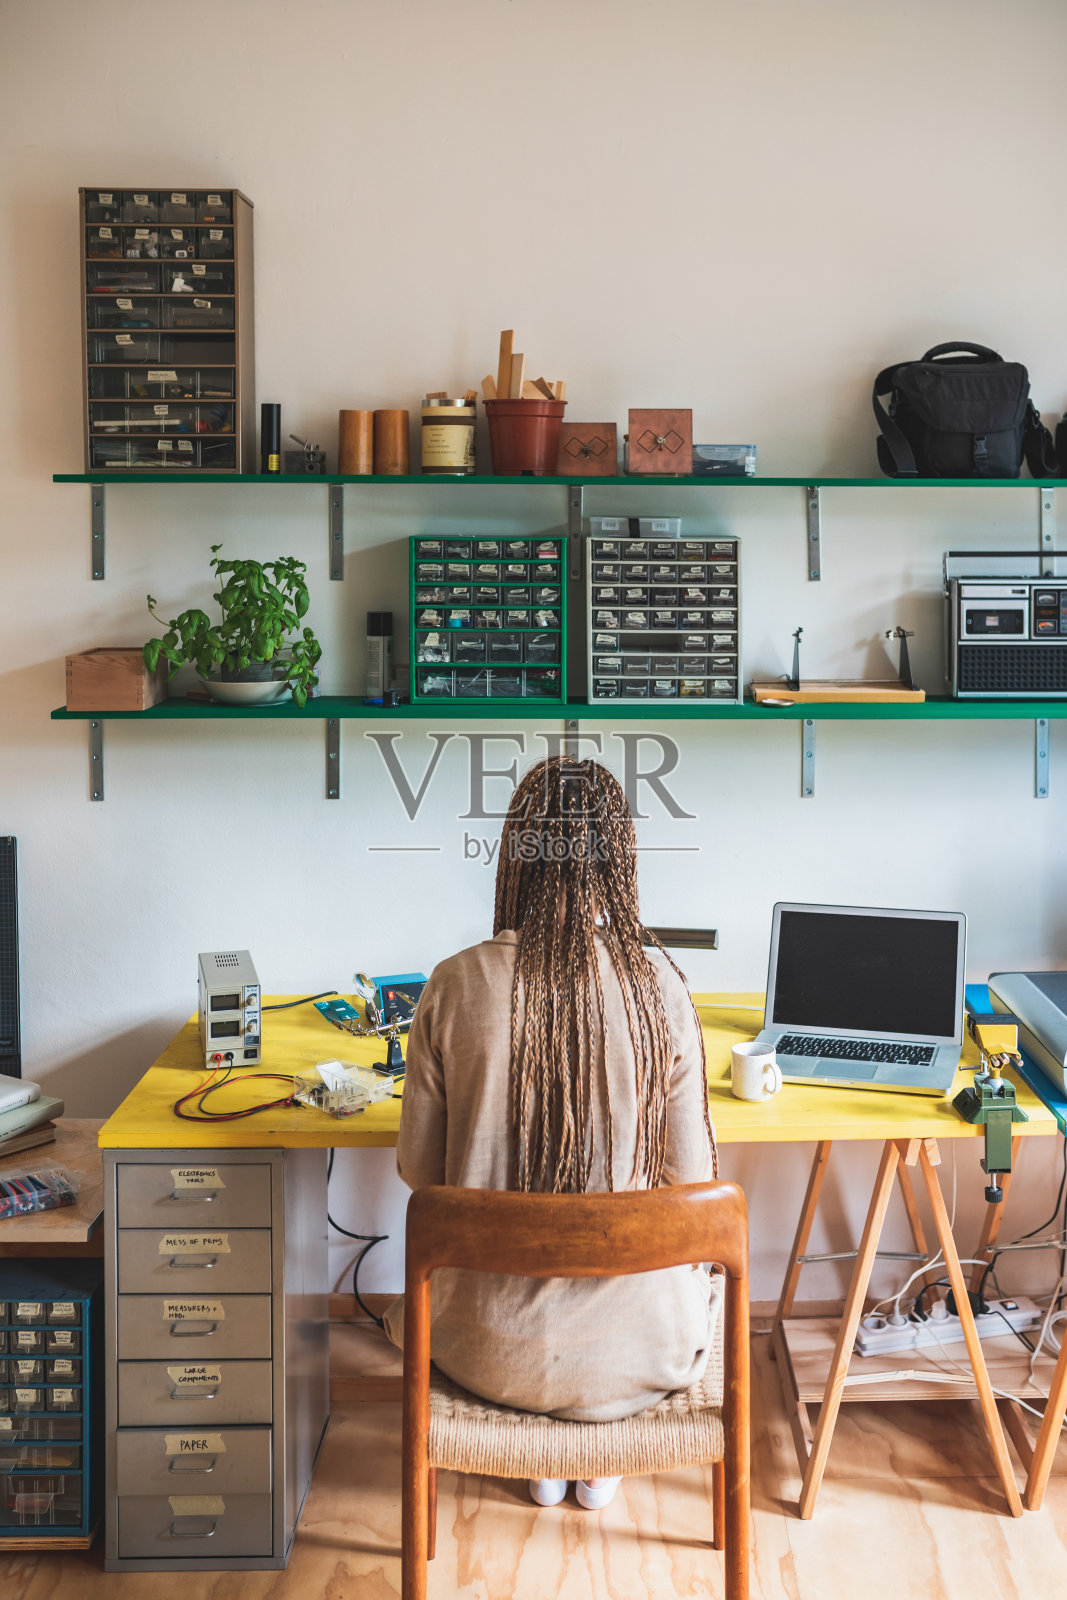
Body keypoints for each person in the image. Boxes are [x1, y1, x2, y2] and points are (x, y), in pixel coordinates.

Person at [385, 756, 718, 1510]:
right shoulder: (659, 989)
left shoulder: (454, 982)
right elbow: (689, 1181)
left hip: (482, 1351)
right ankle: (598, 1458)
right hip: (641, 1356)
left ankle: (528, 1444)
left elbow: (420, 1173)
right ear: (619, 862)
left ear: (514, 858)